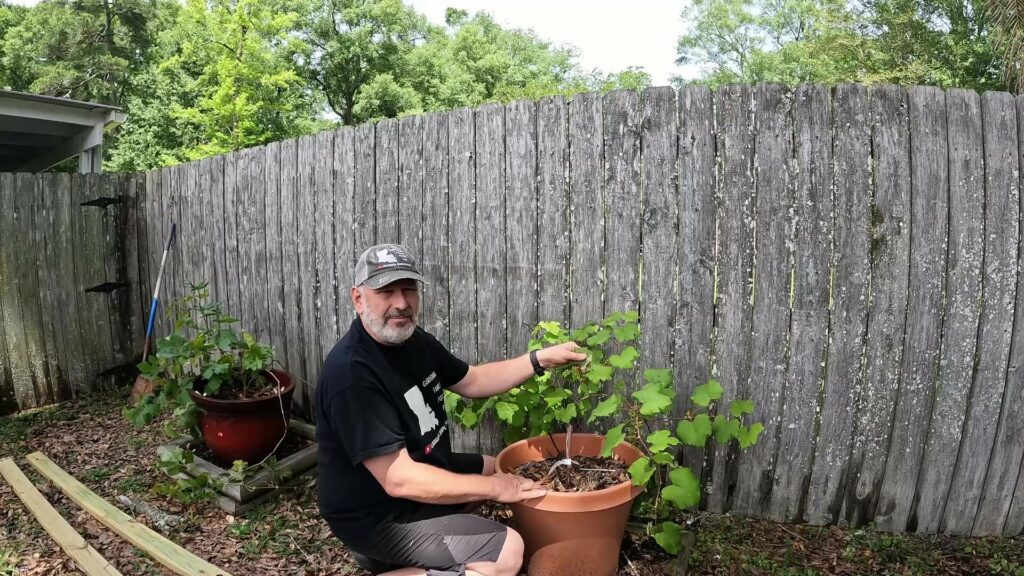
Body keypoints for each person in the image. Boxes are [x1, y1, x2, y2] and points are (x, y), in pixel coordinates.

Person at [316, 243, 587, 576]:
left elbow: (473, 381)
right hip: (378, 515)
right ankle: (389, 563)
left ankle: (399, 558)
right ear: (358, 298)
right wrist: (497, 489)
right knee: (506, 554)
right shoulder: (352, 374)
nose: (401, 303)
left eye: (408, 289)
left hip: (416, 474)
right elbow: (399, 480)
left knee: (494, 466)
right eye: (386, 291)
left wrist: (540, 359)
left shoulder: (414, 342)